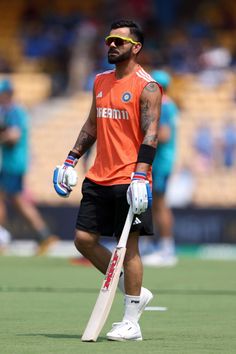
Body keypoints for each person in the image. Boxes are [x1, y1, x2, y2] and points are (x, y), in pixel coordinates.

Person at [53, 19, 162, 341]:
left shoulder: (149, 86)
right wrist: (70, 158)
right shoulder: (100, 81)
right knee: (83, 240)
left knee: (128, 248)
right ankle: (137, 291)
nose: (111, 46)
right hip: (98, 175)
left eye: (119, 41)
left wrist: (141, 175)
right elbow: (92, 125)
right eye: (109, 41)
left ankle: (131, 321)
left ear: (136, 48)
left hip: (130, 178)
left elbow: (152, 134)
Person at [0, 79, 58, 255]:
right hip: (14, 163)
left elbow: (14, 136)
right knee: (18, 202)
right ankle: (44, 235)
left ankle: (2, 238)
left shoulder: (14, 112)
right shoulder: (11, 111)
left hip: (13, 164)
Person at [142, 70, 179, 267]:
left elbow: (163, 135)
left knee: (159, 204)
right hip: (163, 161)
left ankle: (166, 249)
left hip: (160, 161)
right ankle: (156, 246)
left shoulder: (163, 105)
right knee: (153, 204)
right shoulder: (170, 104)